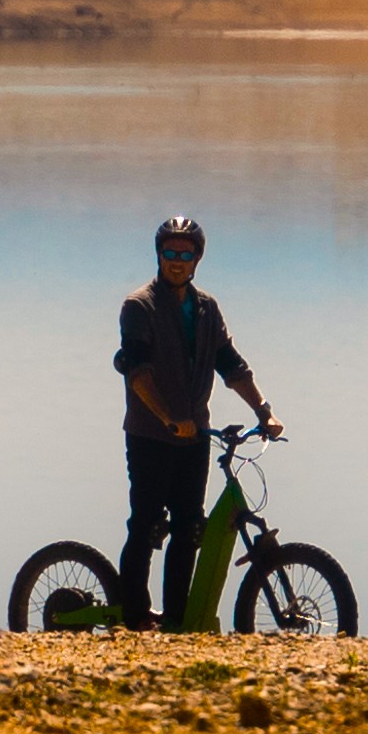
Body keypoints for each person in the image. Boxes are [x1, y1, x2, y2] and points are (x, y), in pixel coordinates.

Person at [113, 214, 277, 635]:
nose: (177, 261)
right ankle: (134, 618)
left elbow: (231, 365)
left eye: (185, 254)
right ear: (158, 255)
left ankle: (177, 620)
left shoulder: (206, 309)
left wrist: (264, 411)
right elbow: (138, 372)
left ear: (198, 259)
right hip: (151, 435)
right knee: (147, 523)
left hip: (194, 437)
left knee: (189, 527)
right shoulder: (139, 306)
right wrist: (169, 419)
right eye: (169, 252)